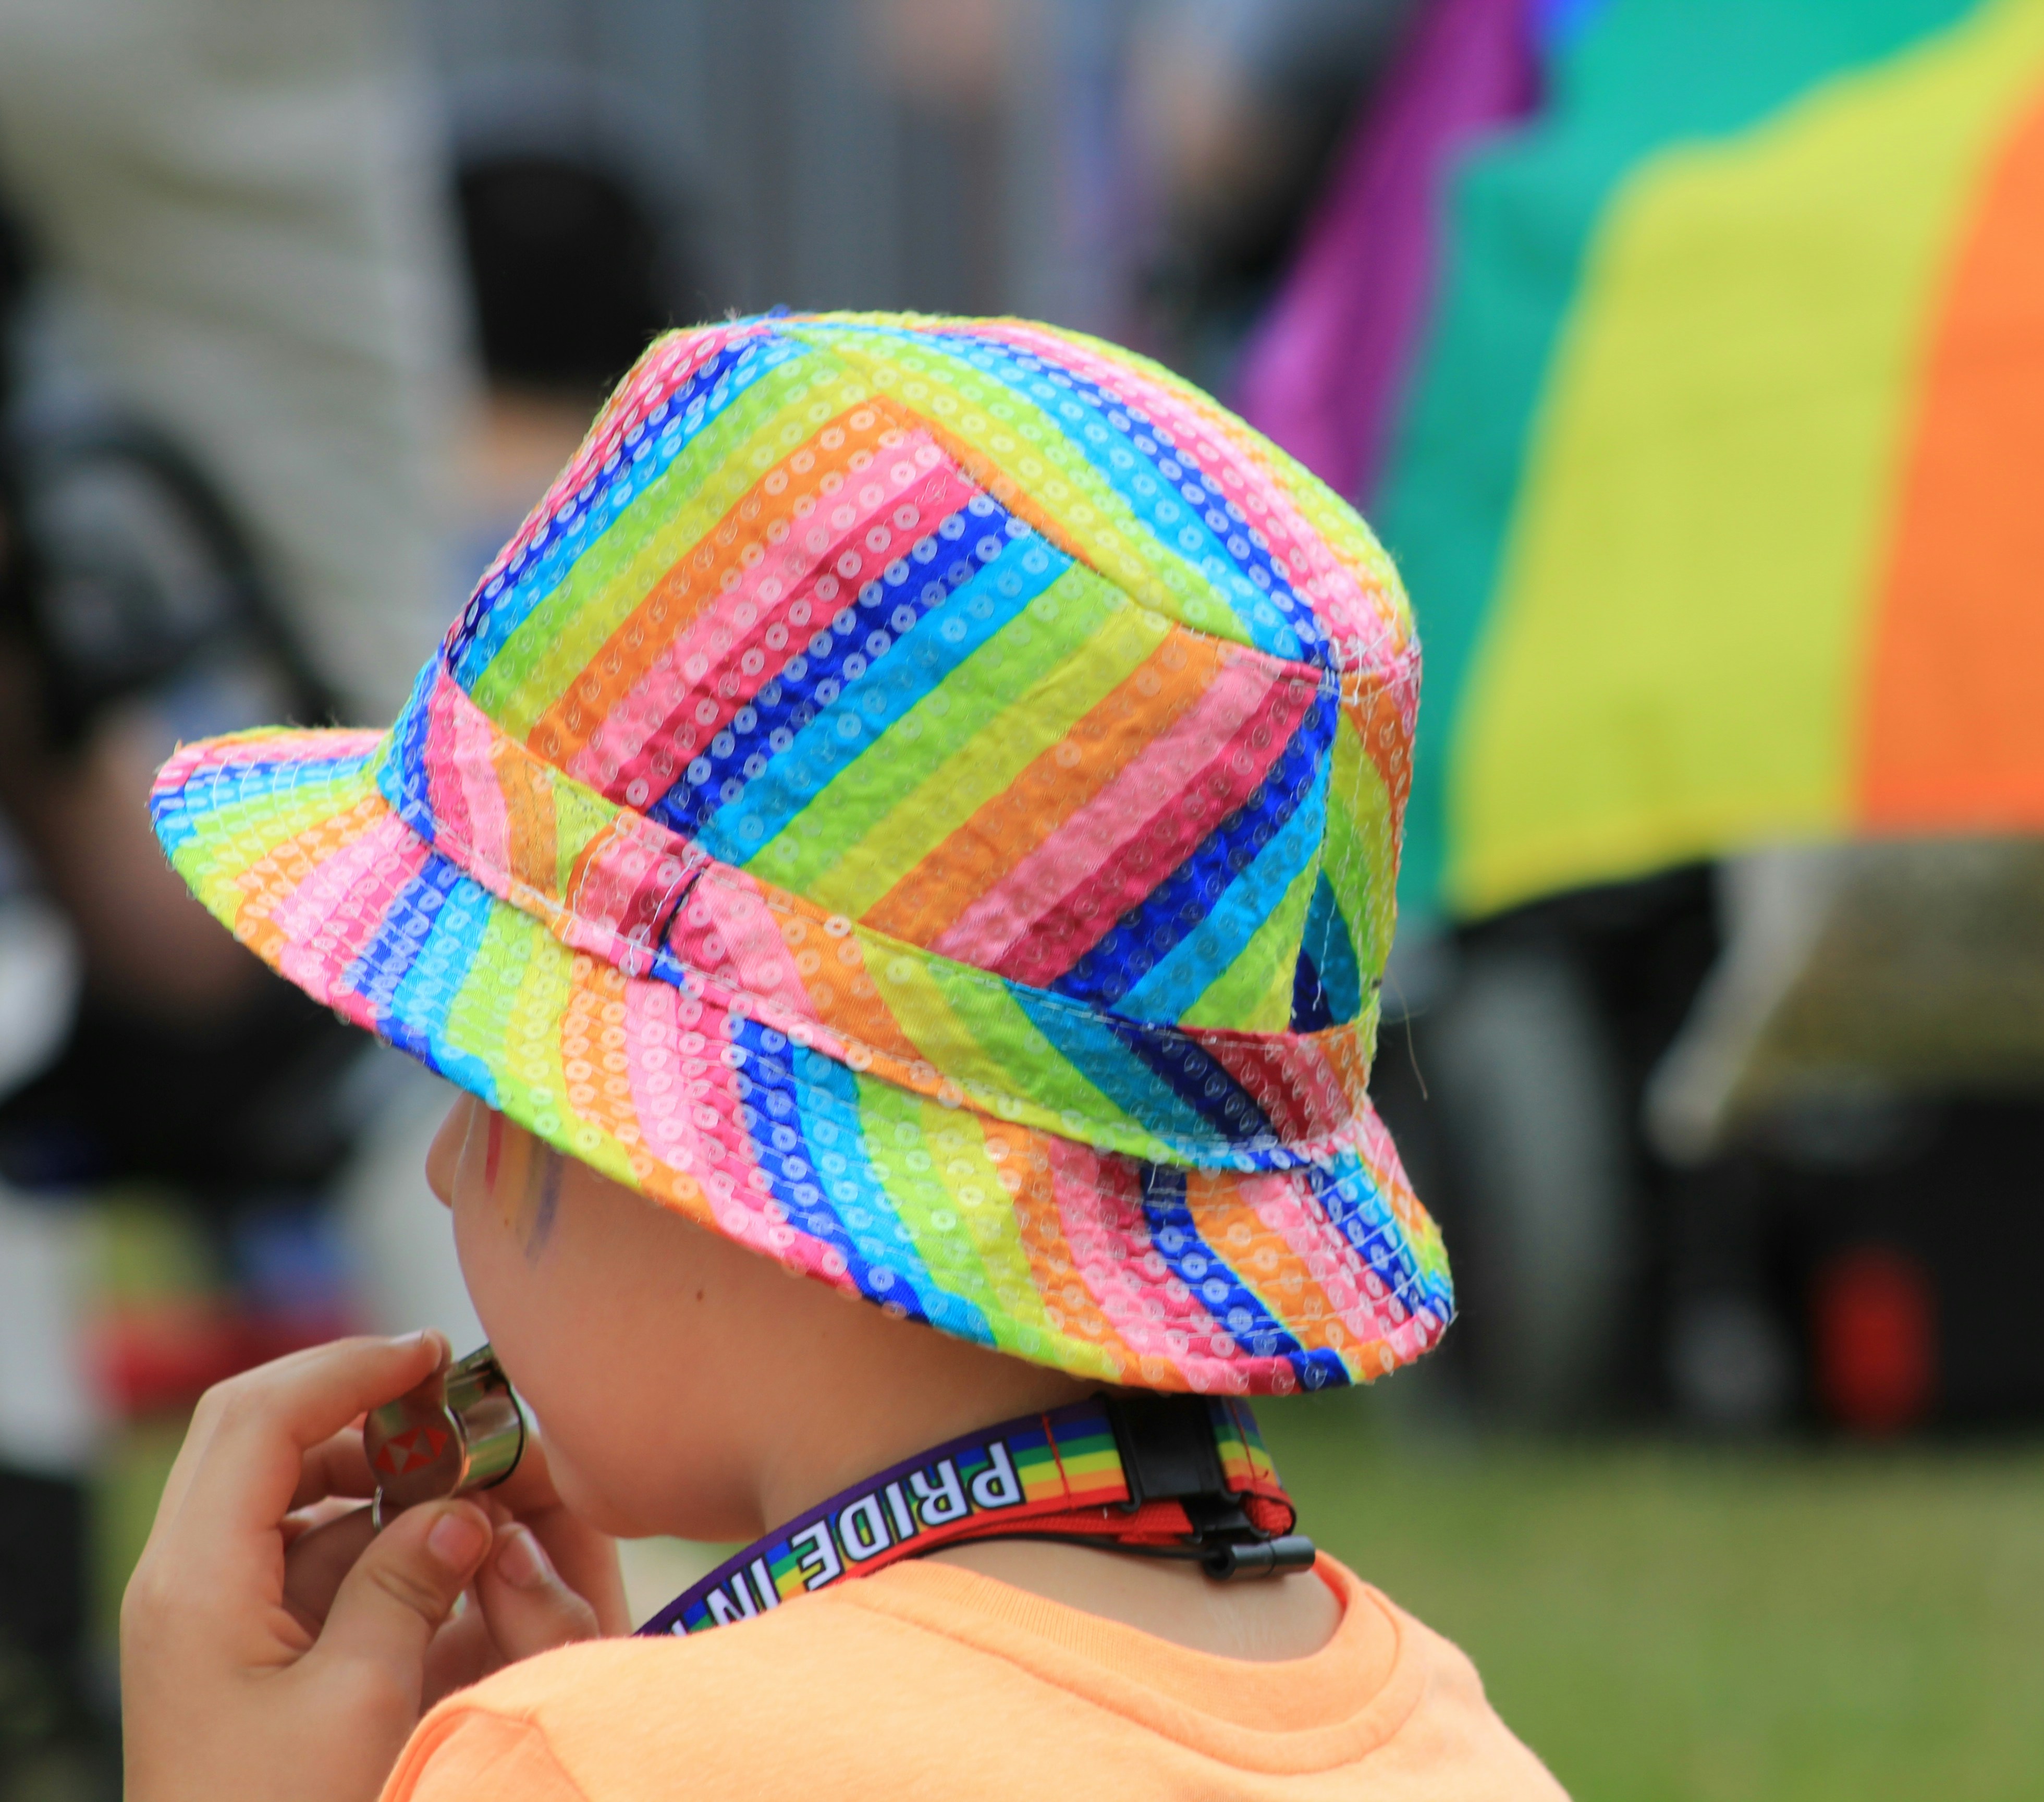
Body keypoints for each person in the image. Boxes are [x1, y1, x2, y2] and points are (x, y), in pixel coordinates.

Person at [116, 309, 1560, 1800]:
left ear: (705, 1146)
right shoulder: (1463, 1747)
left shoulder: (582, 1766)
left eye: (490, 1075)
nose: (440, 1164)